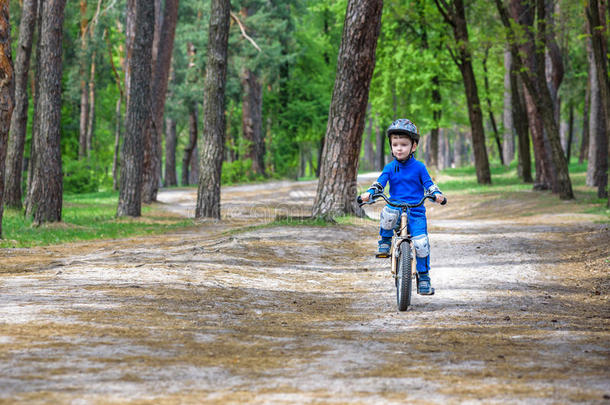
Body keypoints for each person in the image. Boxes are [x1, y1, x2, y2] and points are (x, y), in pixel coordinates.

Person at [359, 118, 445, 295]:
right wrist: (369, 193)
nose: (399, 148)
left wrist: (436, 194)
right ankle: (384, 241)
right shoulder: (390, 167)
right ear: (391, 146)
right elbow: (380, 183)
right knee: (388, 214)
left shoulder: (420, 167)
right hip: (396, 208)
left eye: (404, 144)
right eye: (395, 144)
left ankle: (424, 277)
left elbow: (429, 184)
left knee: (421, 244)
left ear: (413, 146)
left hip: (416, 211)